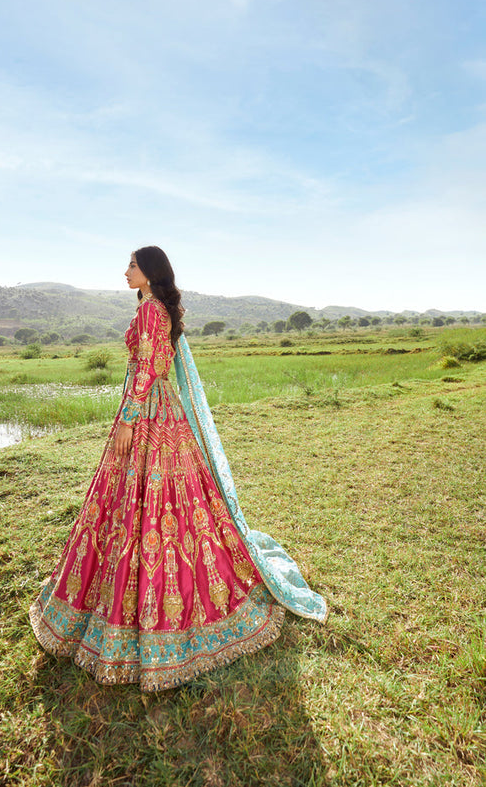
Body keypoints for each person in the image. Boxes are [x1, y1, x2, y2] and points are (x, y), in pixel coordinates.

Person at [29, 246, 327, 692]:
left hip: (149, 413)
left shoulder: (151, 311)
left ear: (149, 273)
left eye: (131, 265)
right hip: (160, 411)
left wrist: (129, 419)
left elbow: (148, 369)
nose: (125, 272)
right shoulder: (154, 308)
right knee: (159, 502)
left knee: (151, 501)